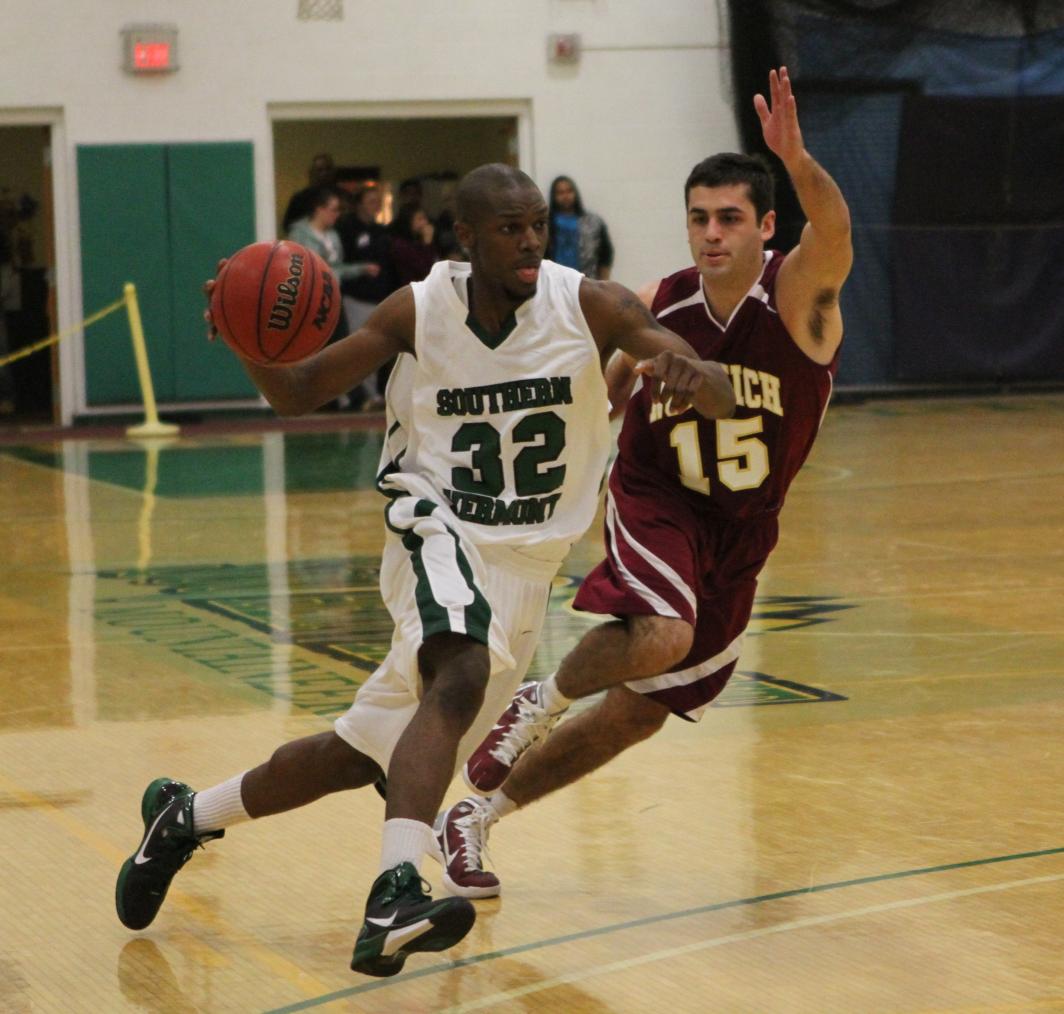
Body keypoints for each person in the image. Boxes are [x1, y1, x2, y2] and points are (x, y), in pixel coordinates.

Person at [113, 163, 736, 977]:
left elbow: (702, 377)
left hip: (525, 567)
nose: (530, 242)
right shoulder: (420, 309)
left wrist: (701, 376)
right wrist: (245, 340)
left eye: (538, 225)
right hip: (432, 523)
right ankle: (393, 895)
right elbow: (299, 392)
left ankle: (185, 817)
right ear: (465, 237)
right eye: (509, 229)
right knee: (462, 669)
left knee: (364, 754)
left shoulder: (590, 303)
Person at [434, 67, 854, 899]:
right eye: (698, 218)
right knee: (661, 633)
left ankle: (478, 815)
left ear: (769, 227)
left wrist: (799, 160)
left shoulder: (798, 296)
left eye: (730, 218)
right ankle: (534, 703)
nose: (711, 234)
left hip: (741, 532)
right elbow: (613, 378)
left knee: (639, 712)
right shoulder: (668, 301)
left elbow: (835, 229)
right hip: (657, 494)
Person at [336, 183, 397, 409]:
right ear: (359, 204)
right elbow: (339, 264)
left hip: (380, 298)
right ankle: (350, 397)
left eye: (378, 202)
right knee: (355, 350)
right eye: (371, 202)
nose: (376, 206)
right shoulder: (346, 228)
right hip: (356, 297)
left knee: (379, 350)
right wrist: (362, 268)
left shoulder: (381, 231)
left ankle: (374, 396)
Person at [545, 175, 614, 280]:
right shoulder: (545, 224)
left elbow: (605, 254)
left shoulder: (592, 223)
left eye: (569, 191)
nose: (565, 196)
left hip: (585, 281)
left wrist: (603, 283)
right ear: (554, 196)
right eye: (560, 193)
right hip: (554, 281)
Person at [281, 153, 338, 234]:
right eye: (320, 170)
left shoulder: (343, 196)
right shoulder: (299, 198)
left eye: (327, 169)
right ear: (311, 173)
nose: (324, 173)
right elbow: (289, 226)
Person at [388, 204, 439, 286]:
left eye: (425, 218)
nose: (425, 223)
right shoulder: (400, 244)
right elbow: (424, 269)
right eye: (420, 219)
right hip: (409, 289)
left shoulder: (418, 240)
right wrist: (427, 243)